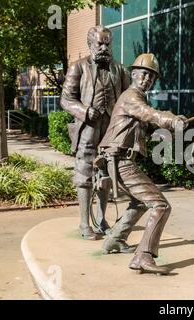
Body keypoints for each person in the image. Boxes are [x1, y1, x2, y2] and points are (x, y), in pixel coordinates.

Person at [99, 53, 187, 275]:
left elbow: (145, 123)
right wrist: (170, 119)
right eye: (144, 74)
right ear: (134, 74)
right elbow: (148, 114)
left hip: (120, 159)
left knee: (138, 203)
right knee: (160, 205)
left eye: (152, 77)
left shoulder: (136, 99)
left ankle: (115, 240)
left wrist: (170, 125)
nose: (147, 79)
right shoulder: (131, 97)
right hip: (120, 161)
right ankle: (143, 256)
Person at [61, 26, 130, 240]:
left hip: (111, 130)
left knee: (107, 174)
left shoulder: (120, 70)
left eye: (107, 43)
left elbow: (128, 100)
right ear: (90, 44)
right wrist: (84, 111)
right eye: (99, 43)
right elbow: (66, 100)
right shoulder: (78, 68)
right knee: (84, 174)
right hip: (88, 129)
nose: (104, 47)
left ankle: (101, 220)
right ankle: (84, 223)